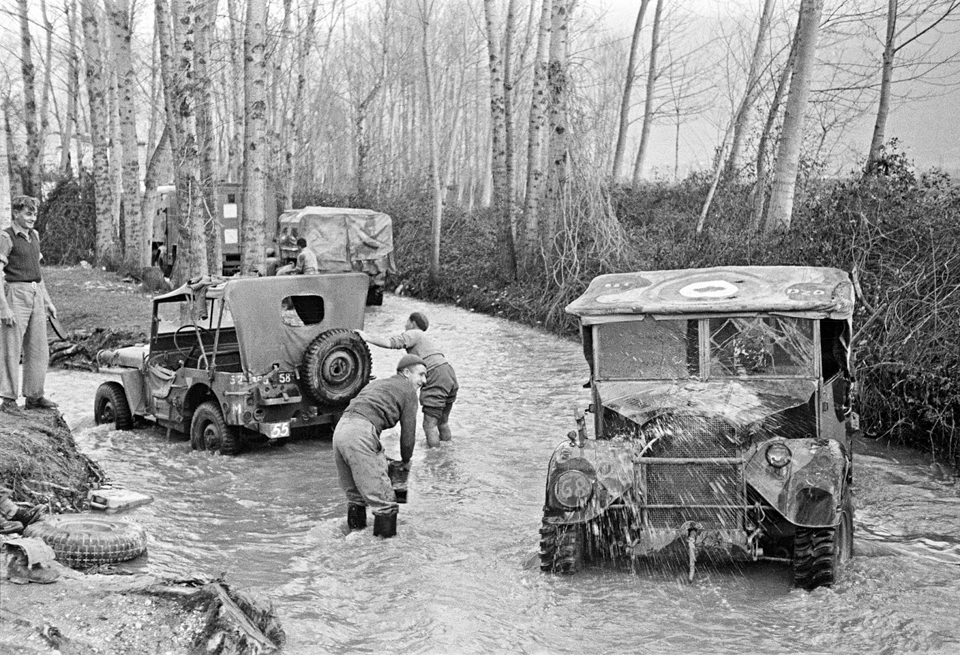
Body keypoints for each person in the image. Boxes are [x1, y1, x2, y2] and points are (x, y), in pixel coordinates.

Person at [333, 354, 427, 538]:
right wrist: (405, 461)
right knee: (385, 503)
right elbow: (408, 437)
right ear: (406, 373)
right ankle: (384, 559)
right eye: (421, 375)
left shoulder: (378, 384)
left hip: (340, 431)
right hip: (361, 432)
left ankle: (354, 543)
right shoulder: (408, 391)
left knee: (356, 497)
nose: (424, 381)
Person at [357, 312, 458, 447]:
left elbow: (390, 343)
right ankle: (446, 454)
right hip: (448, 372)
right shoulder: (426, 339)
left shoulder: (414, 333)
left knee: (429, 424)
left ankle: (434, 461)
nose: (405, 325)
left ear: (412, 322)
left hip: (435, 373)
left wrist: (366, 337)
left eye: (406, 322)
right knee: (443, 422)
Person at [0, 195, 58, 414]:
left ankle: (34, 396)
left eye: (34, 214)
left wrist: (48, 301)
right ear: (16, 213)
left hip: (35, 294)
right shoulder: (5, 237)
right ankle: (8, 399)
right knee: (11, 347)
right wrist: (3, 307)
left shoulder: (35, 236)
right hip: (15, 293)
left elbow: (38, 273)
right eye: (28, 213)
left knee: (38, 348)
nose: (33, 218)